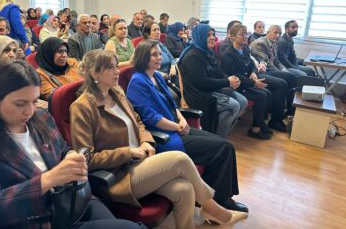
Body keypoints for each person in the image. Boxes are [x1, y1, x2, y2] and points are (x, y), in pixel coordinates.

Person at [0, 60, 145, 229]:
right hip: (35, 218)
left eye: (35, 101)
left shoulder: (42, 118)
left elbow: (63, 149)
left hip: (70, 201)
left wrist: (70, 157)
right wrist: (47, 180)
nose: (29, 111)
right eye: (20, 103)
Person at [70, 49, 247, 229]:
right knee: (179, 158)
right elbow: (87, 159)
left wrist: (146, 141)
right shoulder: (82, 107)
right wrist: (128, 152)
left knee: (184, 189)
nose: (118, 71)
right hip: (118, 174)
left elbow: (138, 120)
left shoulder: (116, 93)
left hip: (140, 162)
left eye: (117, 66)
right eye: (110, 67)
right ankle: (214, 209)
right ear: (94, 72)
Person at [127, 40, 248, 213]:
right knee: (222, 148)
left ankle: (217, 196)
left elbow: (172, 104)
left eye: (159, 54)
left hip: (176, 127)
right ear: (143, 57)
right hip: (164, 136)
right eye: (154, 54)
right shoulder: (137, 82)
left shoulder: (155, 76)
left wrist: (182, 119)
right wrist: (177, 127)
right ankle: (220, 200)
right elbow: (151, 118)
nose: (159, 57)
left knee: (224, 144)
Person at [178, 24, 248, 138]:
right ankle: (218, 138)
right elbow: (202, 83)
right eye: (208, 35)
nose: (212, 37)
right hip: (198, 94)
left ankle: (220, 132)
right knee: (234, 106)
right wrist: (227, 82)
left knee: (243, 101)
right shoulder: (193, 56)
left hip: (212, 89)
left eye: (213, 34)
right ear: (200, 36)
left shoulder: (209, 52)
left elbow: (219, 73)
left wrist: (231, 79)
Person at [221, 24, 273, 140]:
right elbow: (235, 76)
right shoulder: (228, 54)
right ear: (232, 37)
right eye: (241, 34)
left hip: (246, 82)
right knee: (262, 96)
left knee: (267, 93)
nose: (245, 37)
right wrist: (254, 83)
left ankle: (260, 123)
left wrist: (253, 72)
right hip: (237, 86)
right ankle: (255, 129)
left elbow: (251, 65)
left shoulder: (245, 49)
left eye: (246, 34)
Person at [250, 25, 297, 118]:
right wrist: (281, 74)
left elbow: (277, 61)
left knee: (290, 76)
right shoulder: (260, 43)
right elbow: (266, 63)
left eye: (279, 33)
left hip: (269, 69)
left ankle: (288, 109)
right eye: (275, 32)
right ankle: (282, 113)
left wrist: (285, 71)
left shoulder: (274, 43)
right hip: (263, 71)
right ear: (267, 33)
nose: (278, 35)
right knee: (286, 80)